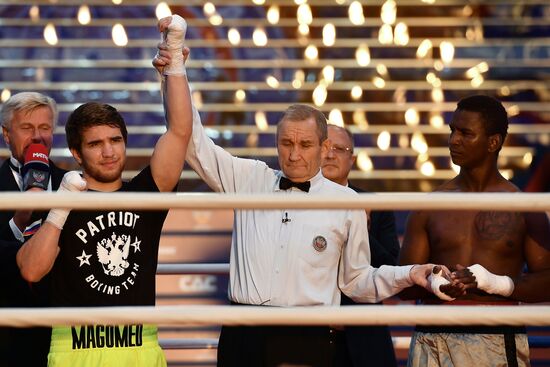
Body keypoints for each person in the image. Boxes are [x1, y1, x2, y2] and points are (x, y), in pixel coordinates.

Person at [154, 44, 447, 366]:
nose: (294, 155)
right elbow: (193, 142)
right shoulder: (250, 178)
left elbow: (357, 282)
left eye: (305, 145)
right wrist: (174, 73)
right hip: (243, 335)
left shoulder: (347, 203)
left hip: (310, 338)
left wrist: (411, 273)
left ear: (324, 148)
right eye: (286, 143)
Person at [16, 15, 191, 366]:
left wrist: (174, 61)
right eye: (96, 144)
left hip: (138, 349)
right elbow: (31, 270)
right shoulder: (56, 197)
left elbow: (179, 133)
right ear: (77, 153)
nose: (109, 151)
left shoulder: (144, 194)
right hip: (74, 349)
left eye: (115, 140)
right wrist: (61, 207)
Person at [399, 94, 550, 367]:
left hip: (497, 337)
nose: (453, 140)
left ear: (493, 142)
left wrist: (496, 283)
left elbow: (548, 281)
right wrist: (433, 281)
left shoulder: (523, 206)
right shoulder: (429, 206)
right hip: (432, 336)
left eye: (465, 133)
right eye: (452, 131)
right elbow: (404, 285)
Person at [322, 124, 399, 367]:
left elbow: (391, 267)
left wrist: (363, 228)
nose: (330, 154)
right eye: (324, 147)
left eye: (339, 148)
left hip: (365, 339)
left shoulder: (373, 206)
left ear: (351, 159)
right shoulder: (292, 203)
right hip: (307, 338)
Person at [0, 91, 67, 367]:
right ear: (6, 135)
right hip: (8, 333)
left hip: (64, 336)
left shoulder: (74, 183)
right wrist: (22, 214)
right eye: (27, 128)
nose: (37, 137)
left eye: (45, 128)